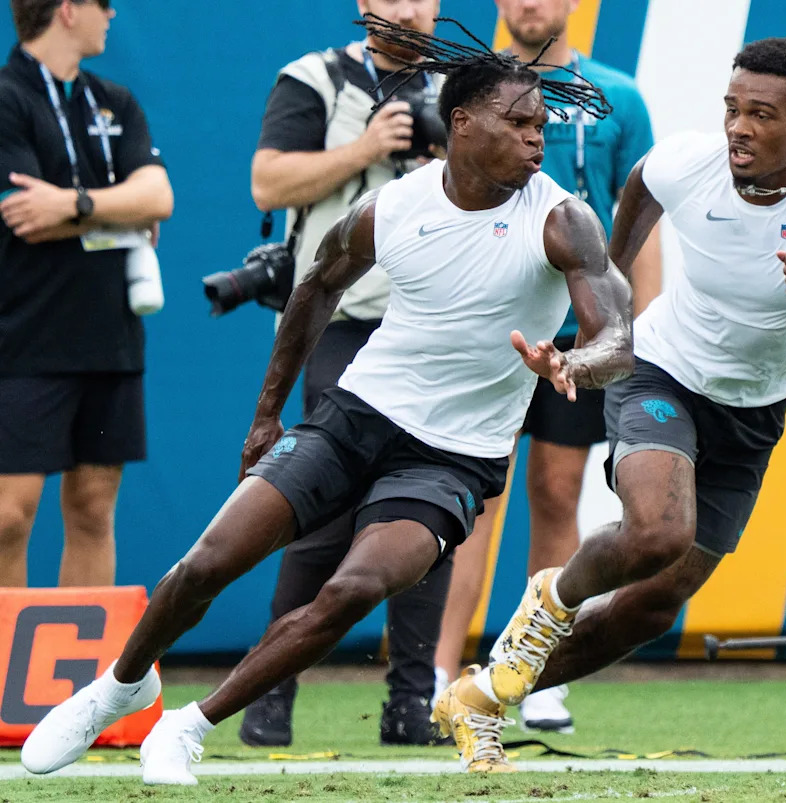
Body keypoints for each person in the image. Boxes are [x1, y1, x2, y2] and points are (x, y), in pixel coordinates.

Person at [20, 15, 633, 785]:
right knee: (208, 562)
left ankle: (188, 723)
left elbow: (619, 335)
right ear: (464, 122)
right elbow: (315, 288)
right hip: (354, 416)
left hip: (454, 457)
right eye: (518, 123)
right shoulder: (396, 208)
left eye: (541, 124)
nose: (535, 139)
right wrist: (267, 413)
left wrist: (578, 359)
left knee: (354, 588)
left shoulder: (561, 218)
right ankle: (120, 686)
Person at [431, 36, 786, 773]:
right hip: (661, 372)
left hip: (755, 412)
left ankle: (486, 692)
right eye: (731, 108)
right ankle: (551, 598)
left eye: (761, 114)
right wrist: (609, 316)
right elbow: (638, 188)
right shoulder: (688, 161)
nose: (738, 127)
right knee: (659, 531)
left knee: (651, 606)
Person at [431, 0, 660, 734]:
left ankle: (533, 671)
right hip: (487, 331)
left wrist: (637, 328)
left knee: (558, 492)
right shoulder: (469, 93)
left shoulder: (618, 97)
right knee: (472, 503)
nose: (529, 4)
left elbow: (642, 218)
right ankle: (435, 673)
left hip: (576, 335)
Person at [239, 0, 454, 749]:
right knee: (322, 510)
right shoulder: (316, 78)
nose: (405, 8)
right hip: (343, 320)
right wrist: (365, 148)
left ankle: (411, 702)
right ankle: (270, 691)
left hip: (439, 323)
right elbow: (268, 182)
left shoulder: (467, 79)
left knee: (430, 511)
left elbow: (518, 176)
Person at [0, 0, 173, 588]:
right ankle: (5, 677)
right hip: (22, 339)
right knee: (7, 516)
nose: (114, 14)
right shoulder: (7, 98)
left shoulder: (115, 101)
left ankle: (85, 681)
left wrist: (74, 204)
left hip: (108, 339)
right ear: (68, 9)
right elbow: (26, 217)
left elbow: (158, 197)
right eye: (103, 4)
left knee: (94, 508)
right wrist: (119, 212)